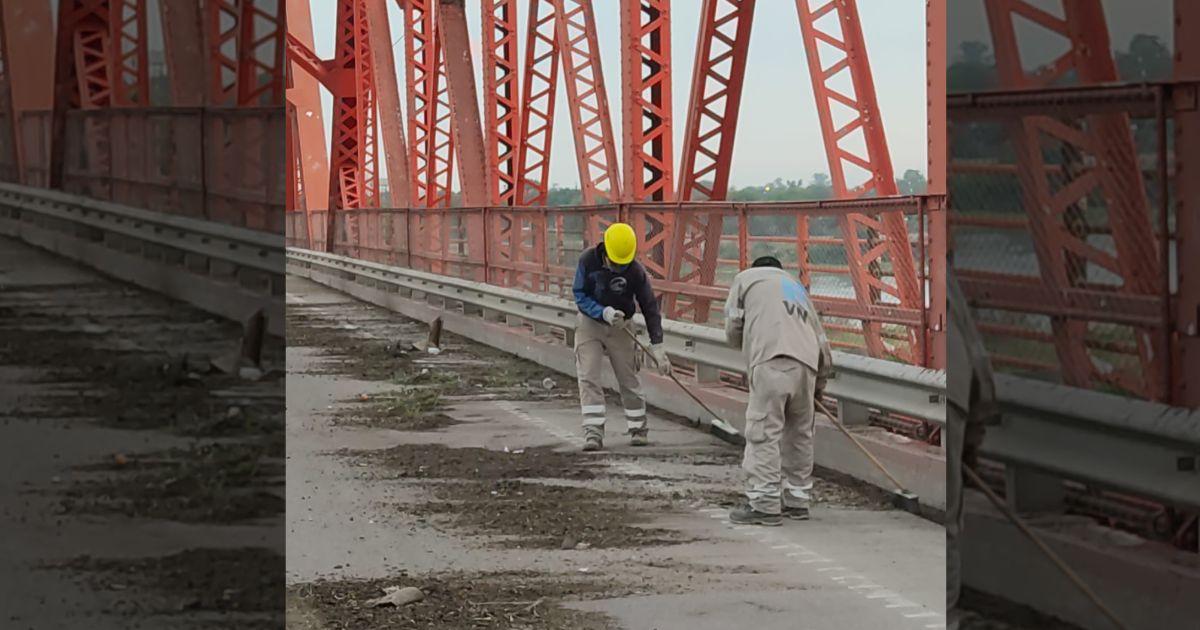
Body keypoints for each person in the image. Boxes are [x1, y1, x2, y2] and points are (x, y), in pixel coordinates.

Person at [723, 255, 832, 526]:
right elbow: (821, 341)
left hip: (771, 360)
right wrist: (818, 387)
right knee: (800, 434)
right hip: (807, 365)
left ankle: (764, 504)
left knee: (764, 432)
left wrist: (745, 347)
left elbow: (733, 326)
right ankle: (797, 501)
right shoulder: (797, 289)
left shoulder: (745, 279)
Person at [572, 222, 671, 452]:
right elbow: (579, 294)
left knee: (628, 379)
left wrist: (658, 347)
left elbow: (649, 306)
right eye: (616, 263)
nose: (619, 268)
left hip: (622, 327)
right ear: (605, 252)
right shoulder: (588, 261)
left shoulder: (635, 270)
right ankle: (593, 433)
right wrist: (602, 312)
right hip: (591, 323)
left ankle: (638, 429)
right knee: (588, 376)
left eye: (623, 264)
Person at [946, 270, 1000, 628]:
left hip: (920, 388)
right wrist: (973, 439)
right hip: (949, 392)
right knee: (946, 516)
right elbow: (976, 358)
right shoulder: (945, 279)